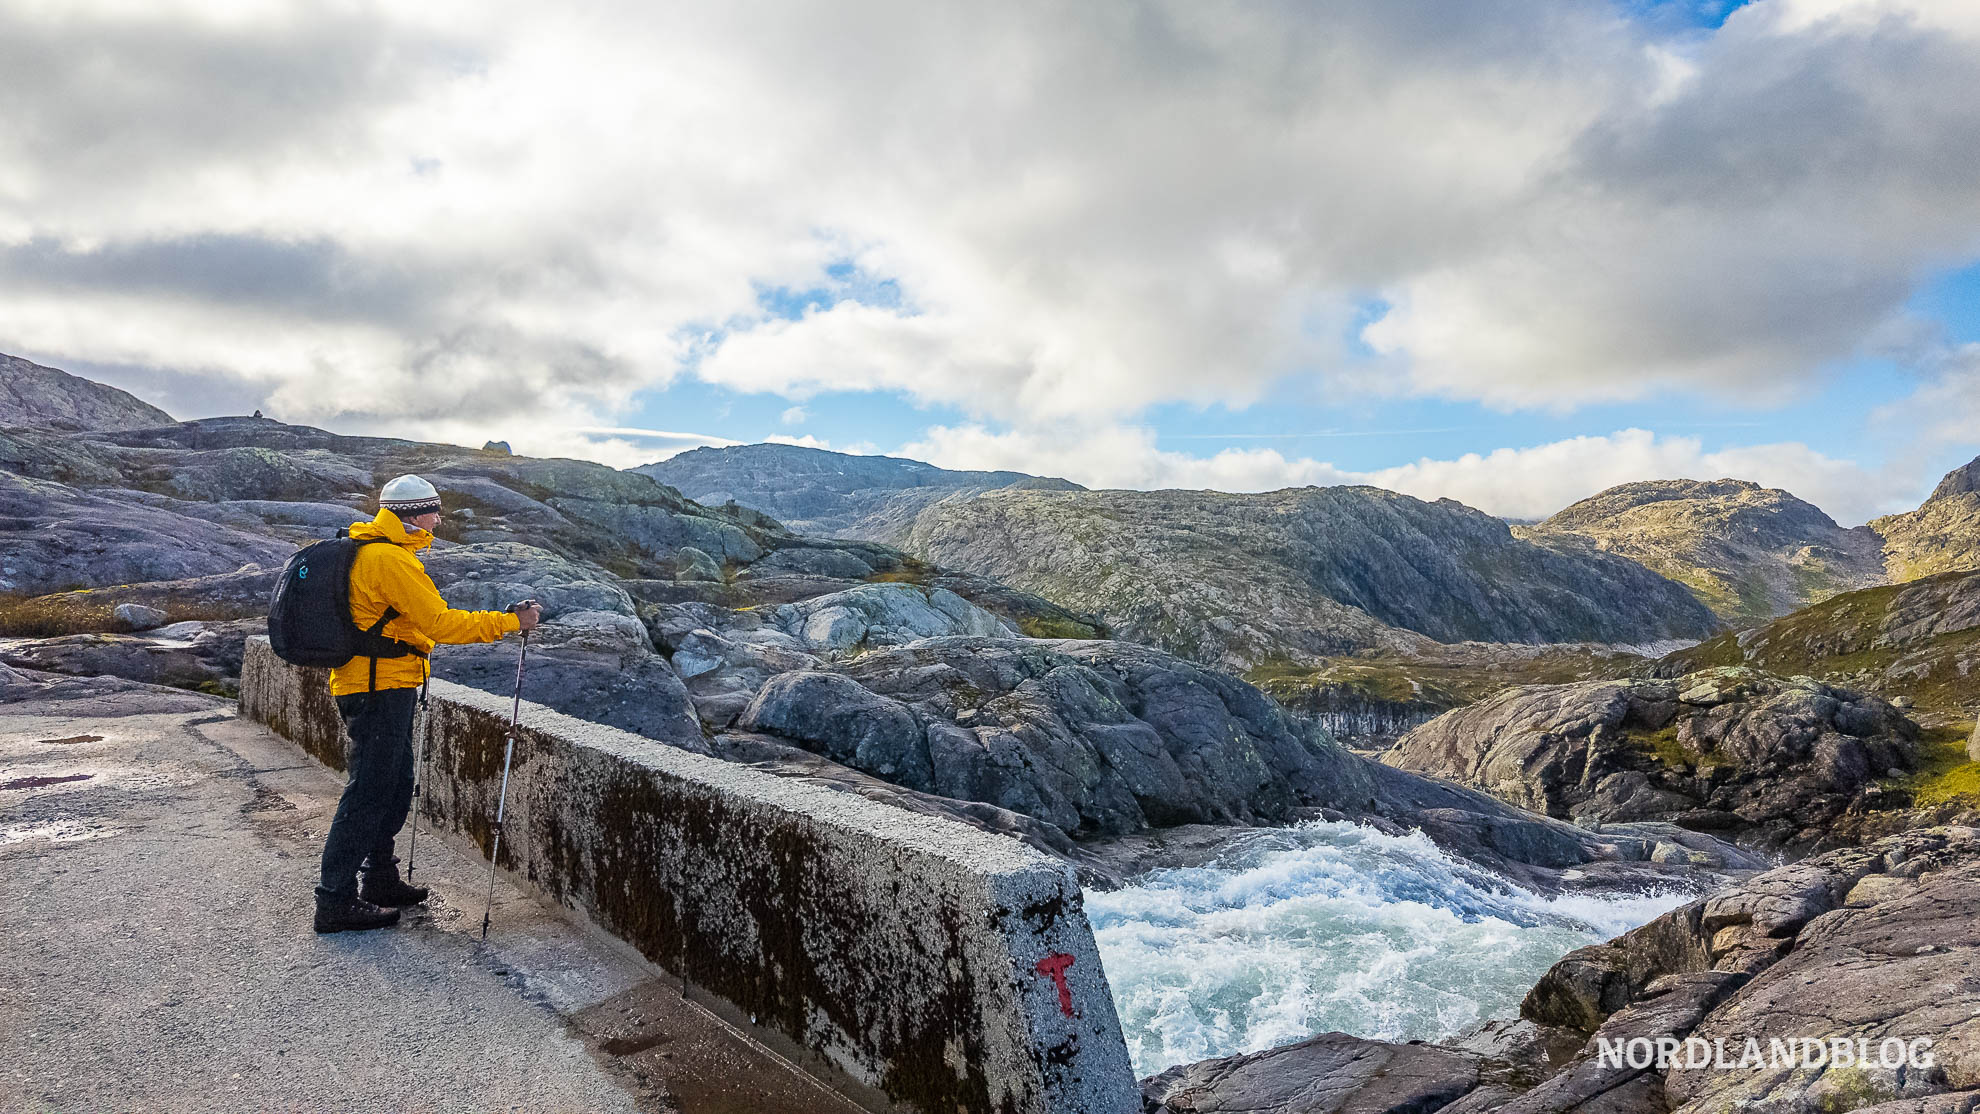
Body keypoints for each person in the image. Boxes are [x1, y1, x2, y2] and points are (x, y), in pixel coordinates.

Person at [313, 474, 542, 934]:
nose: (438, 521)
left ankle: (379, 879)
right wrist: (509, 621)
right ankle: (333, 900)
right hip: (378, 687)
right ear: (414, 515)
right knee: (368, 791)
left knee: (394, 785)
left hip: (380, 684)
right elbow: (440, 623)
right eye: (434, 511)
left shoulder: (379, 551)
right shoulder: (388, 559)